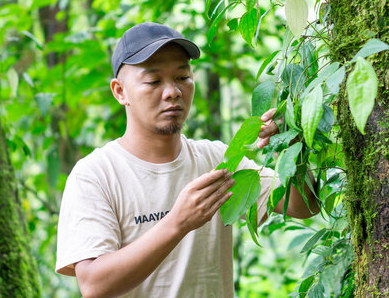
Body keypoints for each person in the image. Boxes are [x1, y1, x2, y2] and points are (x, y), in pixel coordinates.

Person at [55, 22, 318, 298]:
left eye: (182, 77)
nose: (172, 92)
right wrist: (177, 223)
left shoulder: (217, 160)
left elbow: (304, 205)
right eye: (154, 81)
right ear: (120, 91)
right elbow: (94, 285)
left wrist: (289, 143)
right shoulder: (96, 175)